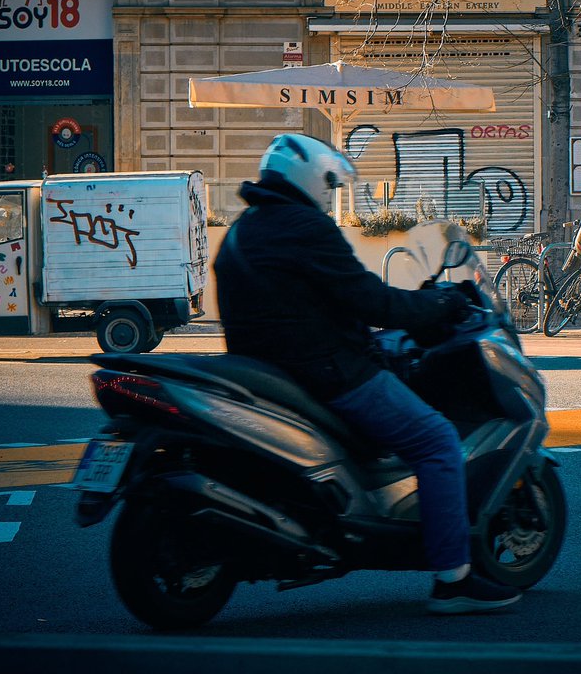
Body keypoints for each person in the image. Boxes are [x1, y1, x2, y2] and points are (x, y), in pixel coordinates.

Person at [213, 132, 521, 615]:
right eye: (329, 185)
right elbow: (372, 300)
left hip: (272, 374)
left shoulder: (243, 229)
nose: (330, 195)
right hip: (329, 373)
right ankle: (454, 580)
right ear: (311, 179)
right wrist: (439, 302)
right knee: (438, 441)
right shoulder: (305, 227)